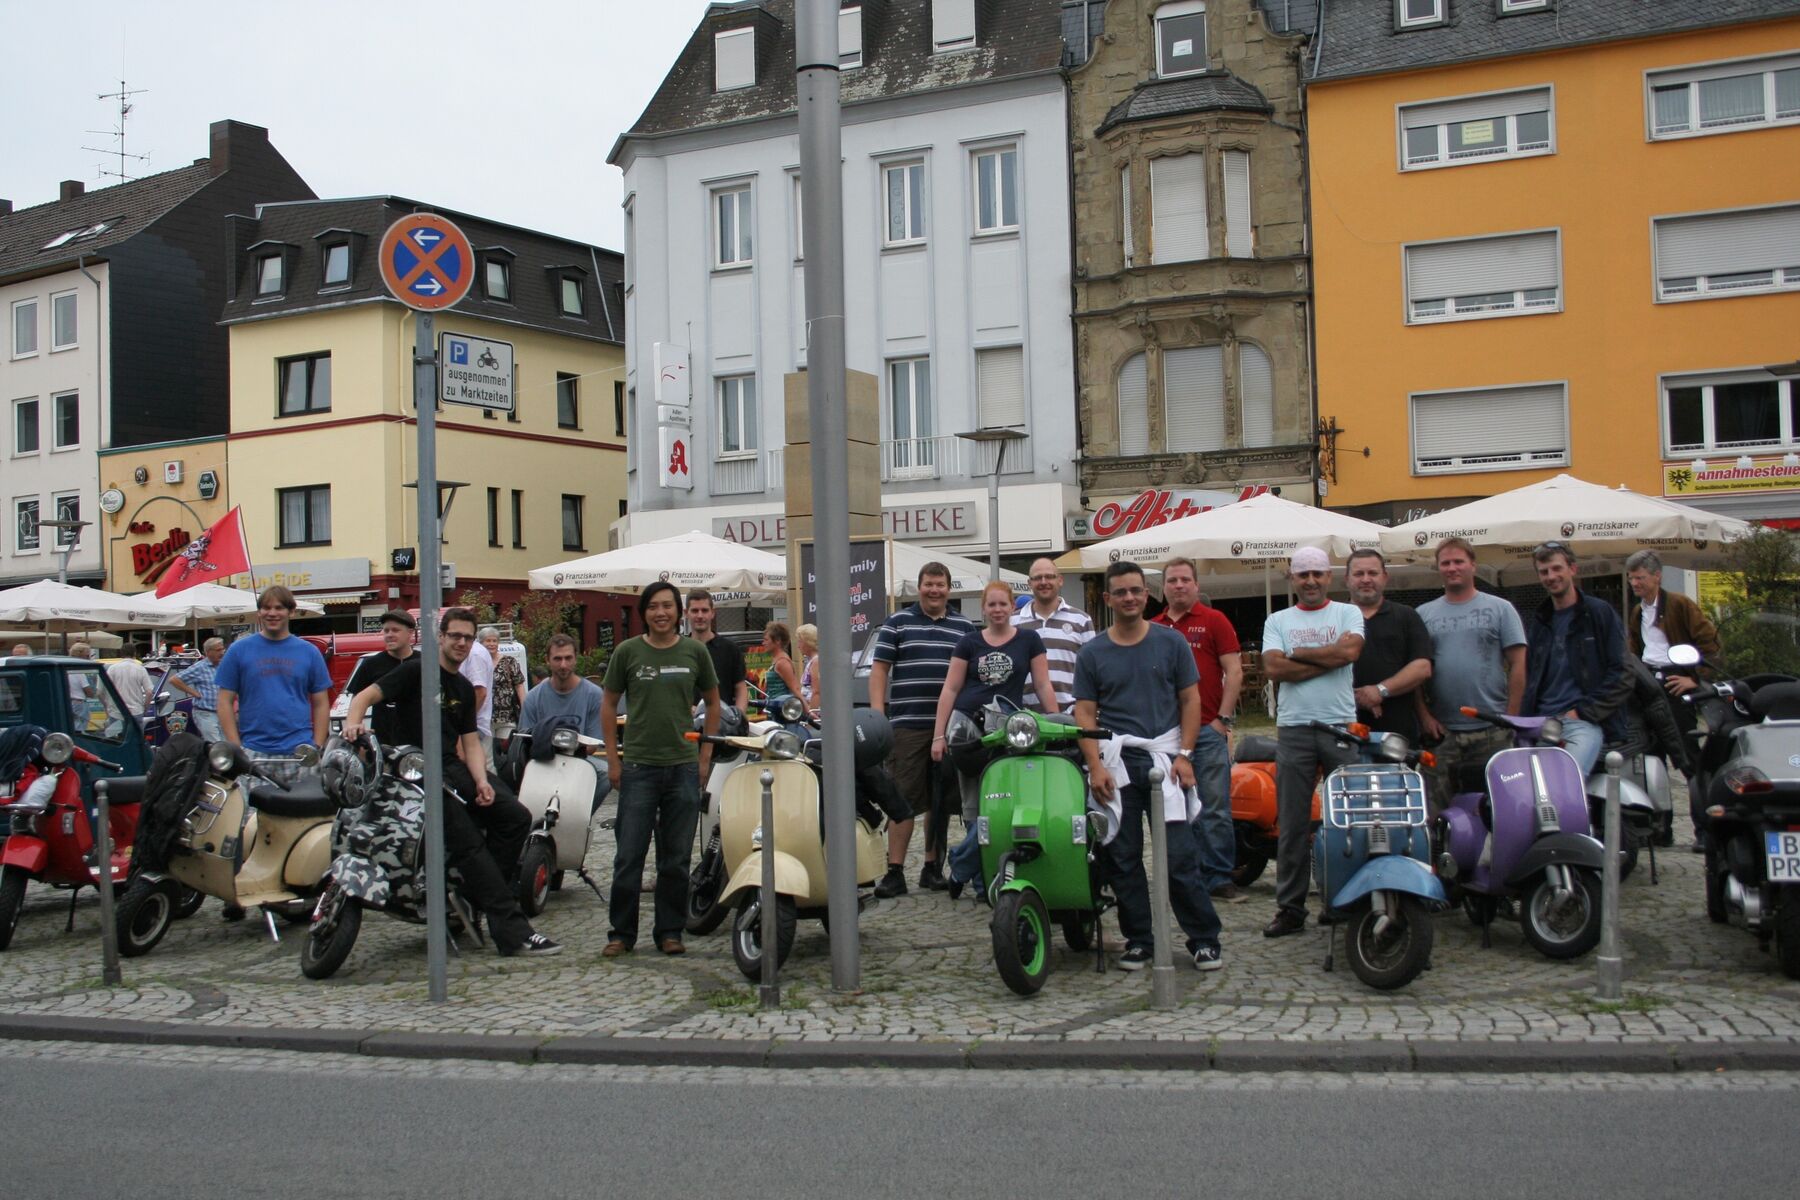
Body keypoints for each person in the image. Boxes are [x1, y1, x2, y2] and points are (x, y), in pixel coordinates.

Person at [343, 607, 560, 957]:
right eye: (455, 635)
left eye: (468, 638)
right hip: (414, 770)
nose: (461, 642)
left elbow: (470, 742)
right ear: (441, 637)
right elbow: (363, 698)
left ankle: (471, 895)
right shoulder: (416, 671)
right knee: (467, 841)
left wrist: (482, 780)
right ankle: (512, 931)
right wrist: (354, 725)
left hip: (451, 766)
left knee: (516, 817)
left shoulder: (462, 687)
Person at [1074, 560, 1224, 972]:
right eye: (1121, 592)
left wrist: (1186, 755)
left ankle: (1204, 939)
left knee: (1179, 857)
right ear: (1108, 598)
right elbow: (1084, 712)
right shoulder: (1093, 652)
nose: (1129, 598)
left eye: (1136, 590)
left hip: (1167, 759)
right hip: (1117, 762)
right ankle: (1140, 939)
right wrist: (1095, 766)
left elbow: (1190, 701)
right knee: (1122, 858)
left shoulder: (1170, 643)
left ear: (1146, 594)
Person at [600, 581, 720, 957]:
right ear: (644, 613)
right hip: (638, 767)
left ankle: (670, 932)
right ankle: (621, 934)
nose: (661, 613)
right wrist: (613, 759)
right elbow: (608, 705)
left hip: (683, 767)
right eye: (653, 606)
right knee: (628, 856)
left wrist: (705, 756)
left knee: (676, 859)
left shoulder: (694, 652)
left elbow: (713, 703)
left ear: (678, 612)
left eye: (667, 606)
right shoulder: (627, 652)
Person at [1260, 547, 1364, 938]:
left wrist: (1300, 654)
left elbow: (1351, 652)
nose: (1311, 581)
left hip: (1340, 725)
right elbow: (1273, 667)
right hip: (1294, 727)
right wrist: (1330, 657)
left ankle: (1345, 900)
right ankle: (1291, 908)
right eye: (1303, 574)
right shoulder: (1277, 619)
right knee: (1292, 824)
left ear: (1329, 577)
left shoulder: (1348, 613)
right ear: (1292, 578)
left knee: (1348, 819)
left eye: (1318, 573)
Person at [931, 581, 1058, 896]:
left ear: (1013, 606)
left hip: (1007, 728)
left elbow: (1042, 684)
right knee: (974, 804)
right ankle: (981, 879)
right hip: (967, 727)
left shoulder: (1029, 640)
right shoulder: (969, 642)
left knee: (1005, 801)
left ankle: (962, 864)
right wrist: (939, 735)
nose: (998, 610)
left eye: (1003, 604)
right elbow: (950, 688)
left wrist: (1056, 723)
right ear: (984, 608)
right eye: (992, 604)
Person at [868, 562, 976, 896]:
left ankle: (932, 867)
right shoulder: (897, 622)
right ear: (919, 587)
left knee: (940, 799)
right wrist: (878, 715)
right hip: (908, 724)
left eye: (940, 585)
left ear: (949, 589)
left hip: (950, 726)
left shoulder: (964, 626)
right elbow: (879, 670)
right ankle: (895, 871)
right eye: (929, 584)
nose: (934, 590)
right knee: (902, 797)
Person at [1151, 556, 1244, 903]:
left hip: (1207, 729)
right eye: (1172, 580)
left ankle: (1218, 876)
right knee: (1173, 809)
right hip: (1166, 734)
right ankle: (1184, 876)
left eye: (1185, 580)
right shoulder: (1154, 627)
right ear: (1163, 588)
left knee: (1214, 807)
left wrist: (1223, 719)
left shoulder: (1214, 620)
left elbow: (1234, 672)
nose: (1179, 586)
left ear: (1196, 585)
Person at [1417, 537, 1527, 810]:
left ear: (1473, 566)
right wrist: (1425, 716)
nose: (1452, 568)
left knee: (1500, 808)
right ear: (1438, 568)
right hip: (1442, 731)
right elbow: (1415, 672)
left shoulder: (1501, 609)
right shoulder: (1423, 614)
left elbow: (1518, 663)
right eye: (1446, 563)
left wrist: (1510, 717)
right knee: (1434, 809)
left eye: (1459, 562)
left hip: (1492, 728)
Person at [1521, 541, 1628, 778]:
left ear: (1573, 569)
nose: (1551, 576)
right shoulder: (1540, 620)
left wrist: (1583, 712)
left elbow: (1622, 673)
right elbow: (1531, 678)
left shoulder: (1598, 612)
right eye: (1544, 571)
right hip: (1542, 723)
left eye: (1556, 568)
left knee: (1566, 782)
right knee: (1529, 788)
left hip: (1582, 722)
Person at [216, 586, 330, 787]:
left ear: (291, 612)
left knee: (303, 808)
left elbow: (321, 702)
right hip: (254, 753)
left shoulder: (309, 652)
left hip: (300, 753)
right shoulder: (238, 650)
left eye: (279, 608)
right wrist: (236, 747)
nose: (272, 613)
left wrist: (317, 746)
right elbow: (224, 701)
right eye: (266, 608)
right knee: (253, 809)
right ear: (259, 612)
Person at [1346, 549, 1433, 745]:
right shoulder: (1333, 618)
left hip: (1398, 734)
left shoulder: (1406, 616)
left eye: (1373, 573)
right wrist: (1358, 697)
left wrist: (1380, 690)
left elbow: (1422, 667)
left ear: (1385, 577)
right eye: (1359, 574)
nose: (1366, 579)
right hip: (1344, 734)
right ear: (1347, 579)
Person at [1625, 549, 1720, 698]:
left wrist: (1696, 678)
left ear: (1657, 576)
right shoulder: (1638, 611)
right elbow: (1634, 648)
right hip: (1648, 678)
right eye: (1630, 578)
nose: (1634, 583)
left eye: (1639, 578)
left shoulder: (1679, 604)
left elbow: (1710, 641)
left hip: (1674, 680)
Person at [1012, 556, 1095, 714]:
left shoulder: (1082, 620)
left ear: (1060, 580)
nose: (1044, 582)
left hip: (1072, 715)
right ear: (1029, 583)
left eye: (1049, 576)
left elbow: (1093, 670)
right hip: (1024, 717)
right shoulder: (1013, 622)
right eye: (1037, 578)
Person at [343, 610, 418, 748]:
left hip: (418, 743)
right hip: (382, 744)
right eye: (386, 630)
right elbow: (357, 700)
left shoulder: (422, 662)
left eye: (395, 630)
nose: (389, 635)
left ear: (410, 632)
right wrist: (355, 727)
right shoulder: (371, 664)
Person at [686, 590, 749, 712]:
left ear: (712, 613)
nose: (700, 616)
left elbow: (740, 687)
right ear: (686, 613)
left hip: (722, 721)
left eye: (705, 610)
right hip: (686, 721)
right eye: (694, 611)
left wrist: (739, 716)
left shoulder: (730, 649)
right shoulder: (679, 650)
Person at [168, 637, 227, 742]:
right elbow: (174, 680)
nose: (222, 652)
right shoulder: (200, 667)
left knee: (226, 745)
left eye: (222, 649)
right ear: (208, 652)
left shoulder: (224, 665)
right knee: (216, 745)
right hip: (206, 713)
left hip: (222, 712)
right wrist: (193, 692)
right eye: (218, 650)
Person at [482, 626, 526, 740]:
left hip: (507, 717)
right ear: (481, 643)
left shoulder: (509, 661)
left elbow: (519, 685)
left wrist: (524, 708)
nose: (491, 644)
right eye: (488, 641)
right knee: (486, 750)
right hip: (485, 718)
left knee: (506, 748)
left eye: (494, 641)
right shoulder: (478, 662)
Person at [460, 626, 495, 763]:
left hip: (474, 727)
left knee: (479, 767)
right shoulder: (473, 651)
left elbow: (480, 692)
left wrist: (464, 721)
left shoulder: (475, 654)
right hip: (472, 726)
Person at [106, 645, 153, 720]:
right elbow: (149, 692)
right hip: (136, 711)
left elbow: (103, 691)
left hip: (116, 712)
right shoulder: (140, 669)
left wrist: (107, 707)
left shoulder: (112, 669)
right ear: (134, 653)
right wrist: (145, 709)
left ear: (121, 653)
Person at [795, 623, 820, 712]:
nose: (798, 646)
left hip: (814, 712)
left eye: (800, 641)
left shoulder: (816, 662)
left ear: (808, 642)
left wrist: (812, 713)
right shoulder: (812, 661)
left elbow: (816, 692)